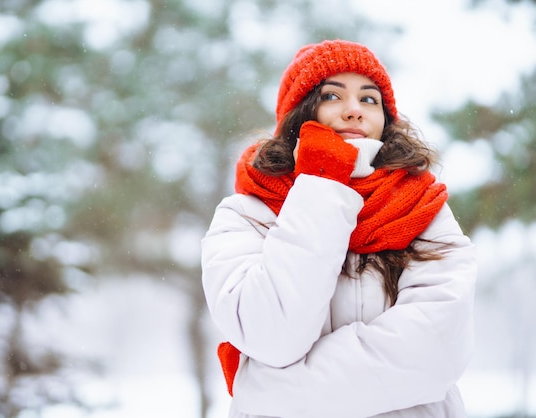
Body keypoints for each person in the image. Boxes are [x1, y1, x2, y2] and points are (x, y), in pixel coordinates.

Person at [200, 39, 477, 418]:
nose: (353, 111)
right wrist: (321, 183)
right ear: (299, 113)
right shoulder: (247, 214)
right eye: (332, 96)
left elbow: (435, 349)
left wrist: (267, 391)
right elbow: (273, 334)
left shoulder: (423, 208)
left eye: (369, 99)